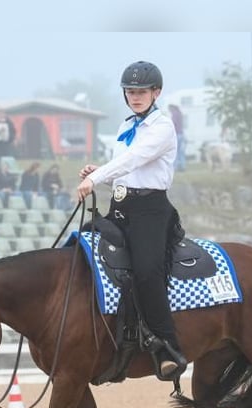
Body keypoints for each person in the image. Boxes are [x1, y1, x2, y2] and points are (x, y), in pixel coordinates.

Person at [76, 60, 186, 380]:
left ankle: (167, 346)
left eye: (142, 91)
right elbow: (129, 173)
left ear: (157, 92)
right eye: (130, 91)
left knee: (147, 270)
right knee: (87, 247)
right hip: (122, 207)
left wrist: (96, 178)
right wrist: (100, 175)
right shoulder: (127, 126)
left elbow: (135, 159)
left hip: (151, 213)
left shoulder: (162, 127)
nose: (135, 96)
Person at [168, 104, 186, 171]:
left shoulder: (174, 114)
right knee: (181, 152)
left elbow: (173, 124)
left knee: (175, 151)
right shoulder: (180, 113)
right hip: (181, 134)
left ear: (172, 108)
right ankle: (182, 166)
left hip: (176, 134)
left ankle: (175, 167)